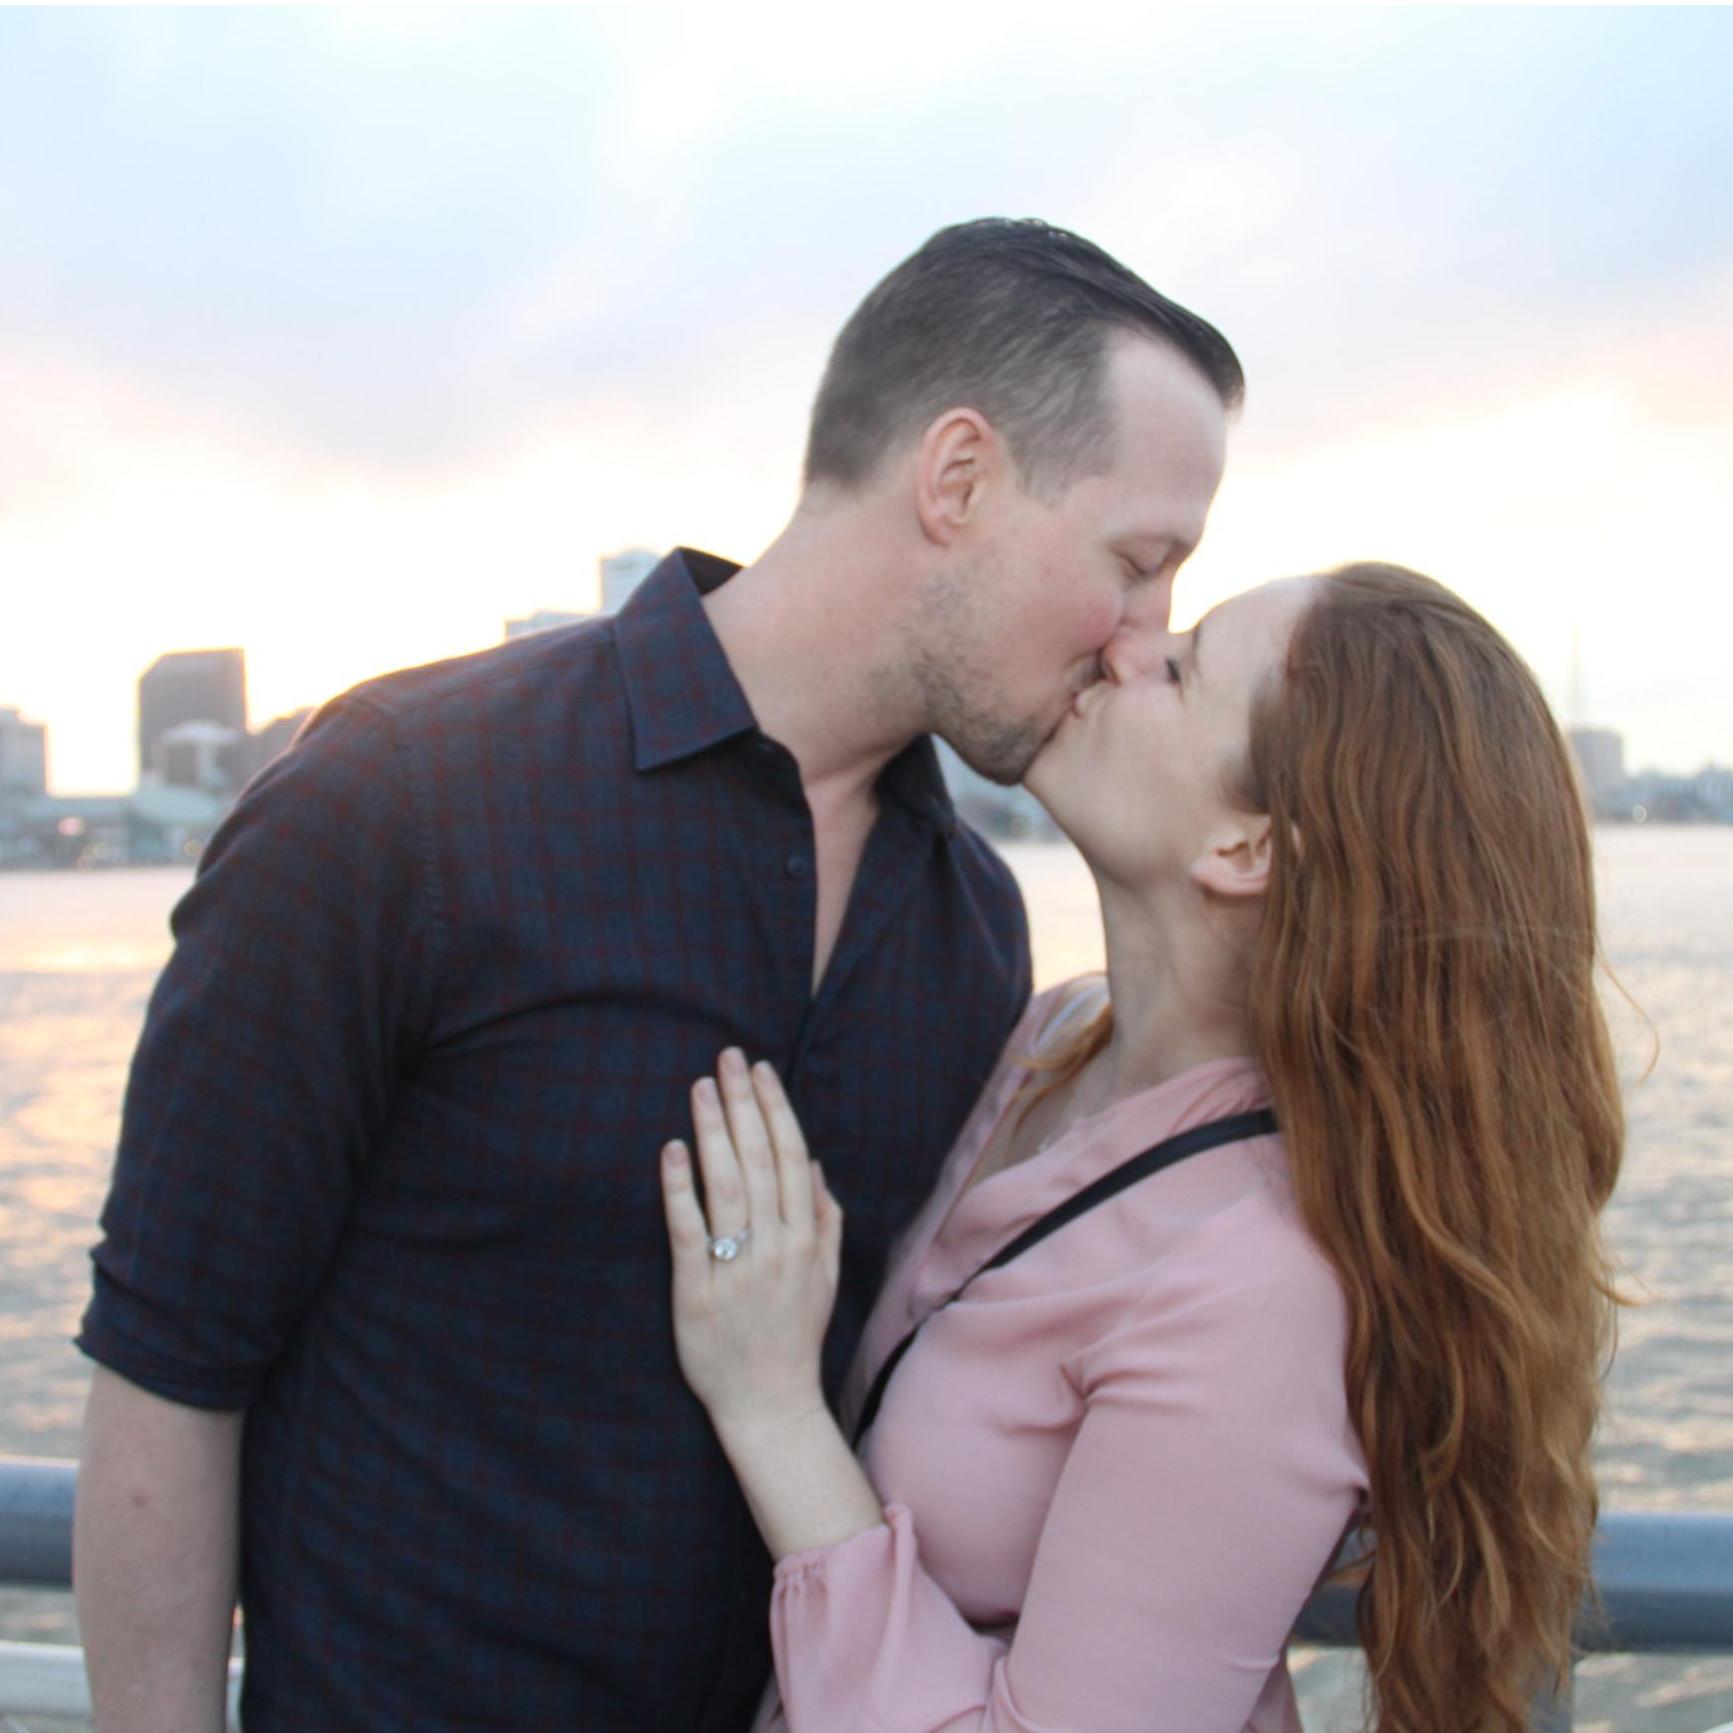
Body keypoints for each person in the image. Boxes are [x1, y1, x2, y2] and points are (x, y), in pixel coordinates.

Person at [72, 219, 1244, 1732]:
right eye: (1137, 563)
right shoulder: (398, 800)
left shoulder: (970, 922)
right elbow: (169, 1368)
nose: (1143, 636)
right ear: (957, 479)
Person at [663, 563, 1624, 1733]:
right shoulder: (1056, 1038)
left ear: (1246, 847)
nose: (1127, 643)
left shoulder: (1259, 1284)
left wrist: (770, 1403)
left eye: (1182, 668)